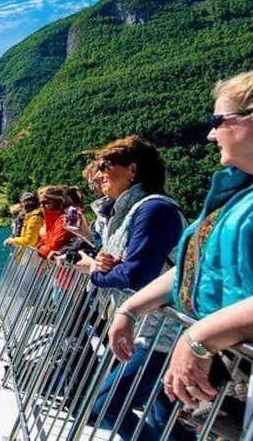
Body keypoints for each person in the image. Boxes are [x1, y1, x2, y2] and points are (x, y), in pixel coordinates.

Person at [110, 70, 253, 435]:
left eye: (217, 121)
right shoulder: (236, 196)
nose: (209, 133)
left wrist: (198, 339)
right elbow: (197, 266)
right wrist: (130, 308)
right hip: (226, 371)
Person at [72, 135, 186, 440]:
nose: (98, 174)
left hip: (159, 331)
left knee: (108, 404)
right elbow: (123, 262)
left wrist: (95, 271)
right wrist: (103, 260)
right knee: (162, 411)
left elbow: (137, 273)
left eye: (106, 165)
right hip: (145, 328)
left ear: (132, 169)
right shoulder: (130, 212)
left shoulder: (154, 210)